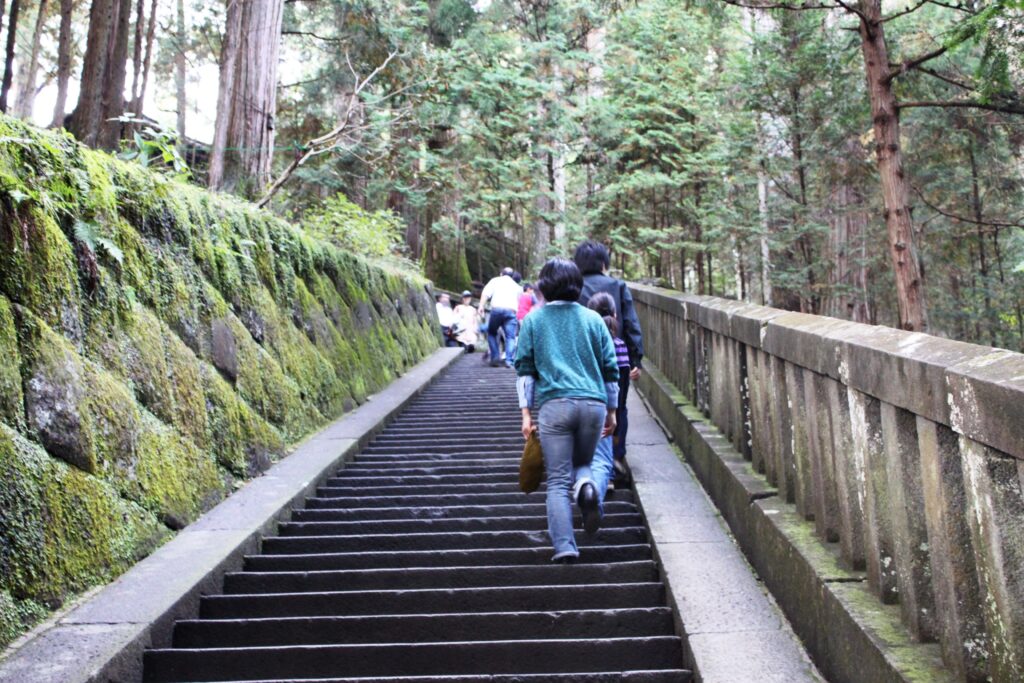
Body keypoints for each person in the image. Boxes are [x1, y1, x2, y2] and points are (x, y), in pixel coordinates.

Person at [515, 258, 619, 564]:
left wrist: (526, 414)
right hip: (594, 404)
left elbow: (525, 371)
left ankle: (565, 546)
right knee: (583, 463)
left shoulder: (533, 320)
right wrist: (612, 411)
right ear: (577, 285)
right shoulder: (594, 319)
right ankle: (587, 487)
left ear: (544, 286)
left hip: (555, 405)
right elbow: (610, 369)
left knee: (559, 480)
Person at [574, 241, 644, 482]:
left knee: (585, 405)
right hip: (616, 358)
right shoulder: (618, 286)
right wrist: (635, 359)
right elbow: (631, 324)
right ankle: (615, 457)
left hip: (582, 359)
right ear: (604, 262)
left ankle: (588, 461)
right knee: (618, 406)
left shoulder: (573, 286)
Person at [478, 266, 522, 368]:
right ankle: (509, 360)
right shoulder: (517, 286)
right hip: (511, 311)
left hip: (497, 310)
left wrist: (481, 306)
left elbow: (486, 293)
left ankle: (495, 357)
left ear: (501, 274)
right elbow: (519, 302)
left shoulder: (495, 281)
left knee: (492, 332)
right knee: (510, 337)